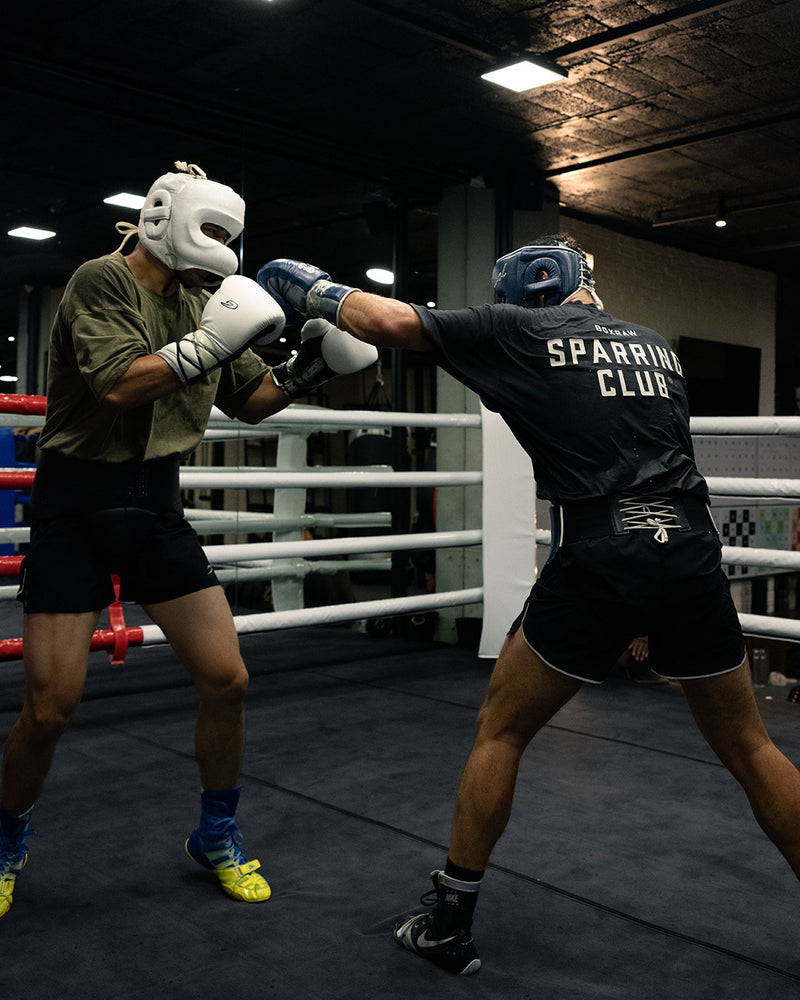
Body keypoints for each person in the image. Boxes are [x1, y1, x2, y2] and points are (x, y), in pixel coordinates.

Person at [256, 239, 800, 975]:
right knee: (752, 746)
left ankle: (448, 923)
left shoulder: (518, 330)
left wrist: (311, 288)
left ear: (527, 292)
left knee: (501, 730)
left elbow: (384, 321)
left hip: (603, 555)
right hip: (691, 549)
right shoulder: (653, 346)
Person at [0, 161, 377, 919]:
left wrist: (310, 367)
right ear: (165, 217)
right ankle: (7, 839)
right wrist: (212, 341)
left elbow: (254, 403)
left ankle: (215, 834)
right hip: (77, 502)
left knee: (227, 679)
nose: (219, 247)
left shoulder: (211, 301)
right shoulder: (98, 282)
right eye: (210, 229)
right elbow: (117, 384)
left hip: (156, 503)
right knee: (50, 706)